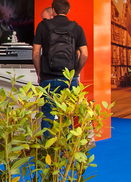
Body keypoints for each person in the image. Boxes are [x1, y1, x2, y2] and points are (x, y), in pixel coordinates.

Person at [32, 0, 88, 132]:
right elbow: (84, 54)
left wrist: (39, 73)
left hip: (48, 77)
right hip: (69, 78)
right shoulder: (77, 28)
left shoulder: (43, 26)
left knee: (47, 114)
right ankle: (67, 144)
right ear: (68, 10)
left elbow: (35, 53)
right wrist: (76, 73)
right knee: (68, 114)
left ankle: (48, 144)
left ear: (53, 10)